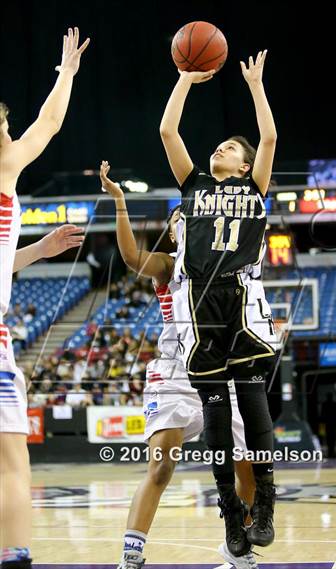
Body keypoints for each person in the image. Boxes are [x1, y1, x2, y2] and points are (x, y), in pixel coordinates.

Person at [100, 163, 258, 569]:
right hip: (176, 372)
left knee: (247, 465)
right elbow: (132, 256)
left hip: (222, 371)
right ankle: (131, 554)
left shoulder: (226, 262)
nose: (188, 219)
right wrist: (120, 201)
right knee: (161, 465)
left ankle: (238, 548)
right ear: (174, 231)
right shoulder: (169, 266)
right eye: (180, 217)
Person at [160, 51, 277, 556]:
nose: (219, 149)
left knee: (253, 410)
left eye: (229, 147)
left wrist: (255, 86)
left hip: (242, 303)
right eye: (219, 145)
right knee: (214, 421)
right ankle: (231, 513)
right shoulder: (195, 185)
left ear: (245, 164)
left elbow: (268, 137)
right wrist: (184, 80)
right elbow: (168, 131)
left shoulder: (255, 186)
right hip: (200, 311)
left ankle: (266, 507)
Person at [0, 27, 88, 569]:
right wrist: (67, 73)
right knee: (11, 459)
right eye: (6, 127)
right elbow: (49, 123)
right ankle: (15, 557)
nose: (11, 135)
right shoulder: (5, 168)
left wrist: (38, 249)